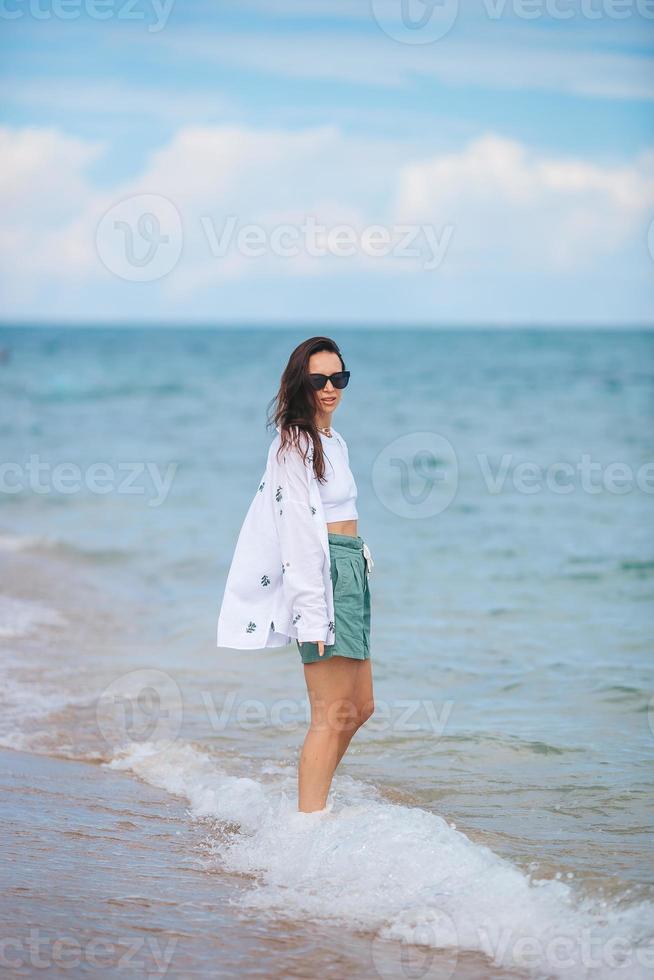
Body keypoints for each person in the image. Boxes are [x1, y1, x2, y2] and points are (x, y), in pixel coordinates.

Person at [216, 336, 375, 812]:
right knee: (330, 715)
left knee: (360, 708)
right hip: (322, 575)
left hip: (350, 568)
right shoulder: (294, 444)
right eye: (319, 379)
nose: (329, 389)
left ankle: (317, 801)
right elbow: (298, 537)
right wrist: (311, 612)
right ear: (299, 382)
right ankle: (306, 827)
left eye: (338, 378)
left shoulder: (333, 440)